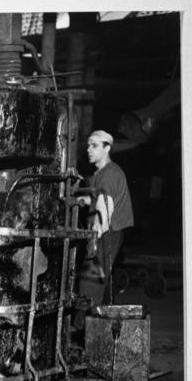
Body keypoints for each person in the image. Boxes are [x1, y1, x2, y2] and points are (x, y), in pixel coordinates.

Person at [74, 129, 134, 326]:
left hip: (106, 232)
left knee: (90, 281)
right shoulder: (104, 172)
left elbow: (105, 211)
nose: (89, 150)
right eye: (88, 145)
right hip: (110, 231)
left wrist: (94, 240)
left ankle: (84, 329)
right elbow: (97, 198)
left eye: (94, 146)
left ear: (107, 148)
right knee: (98, 280)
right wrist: (79, 200)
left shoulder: (108, 174)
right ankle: (97, 326)